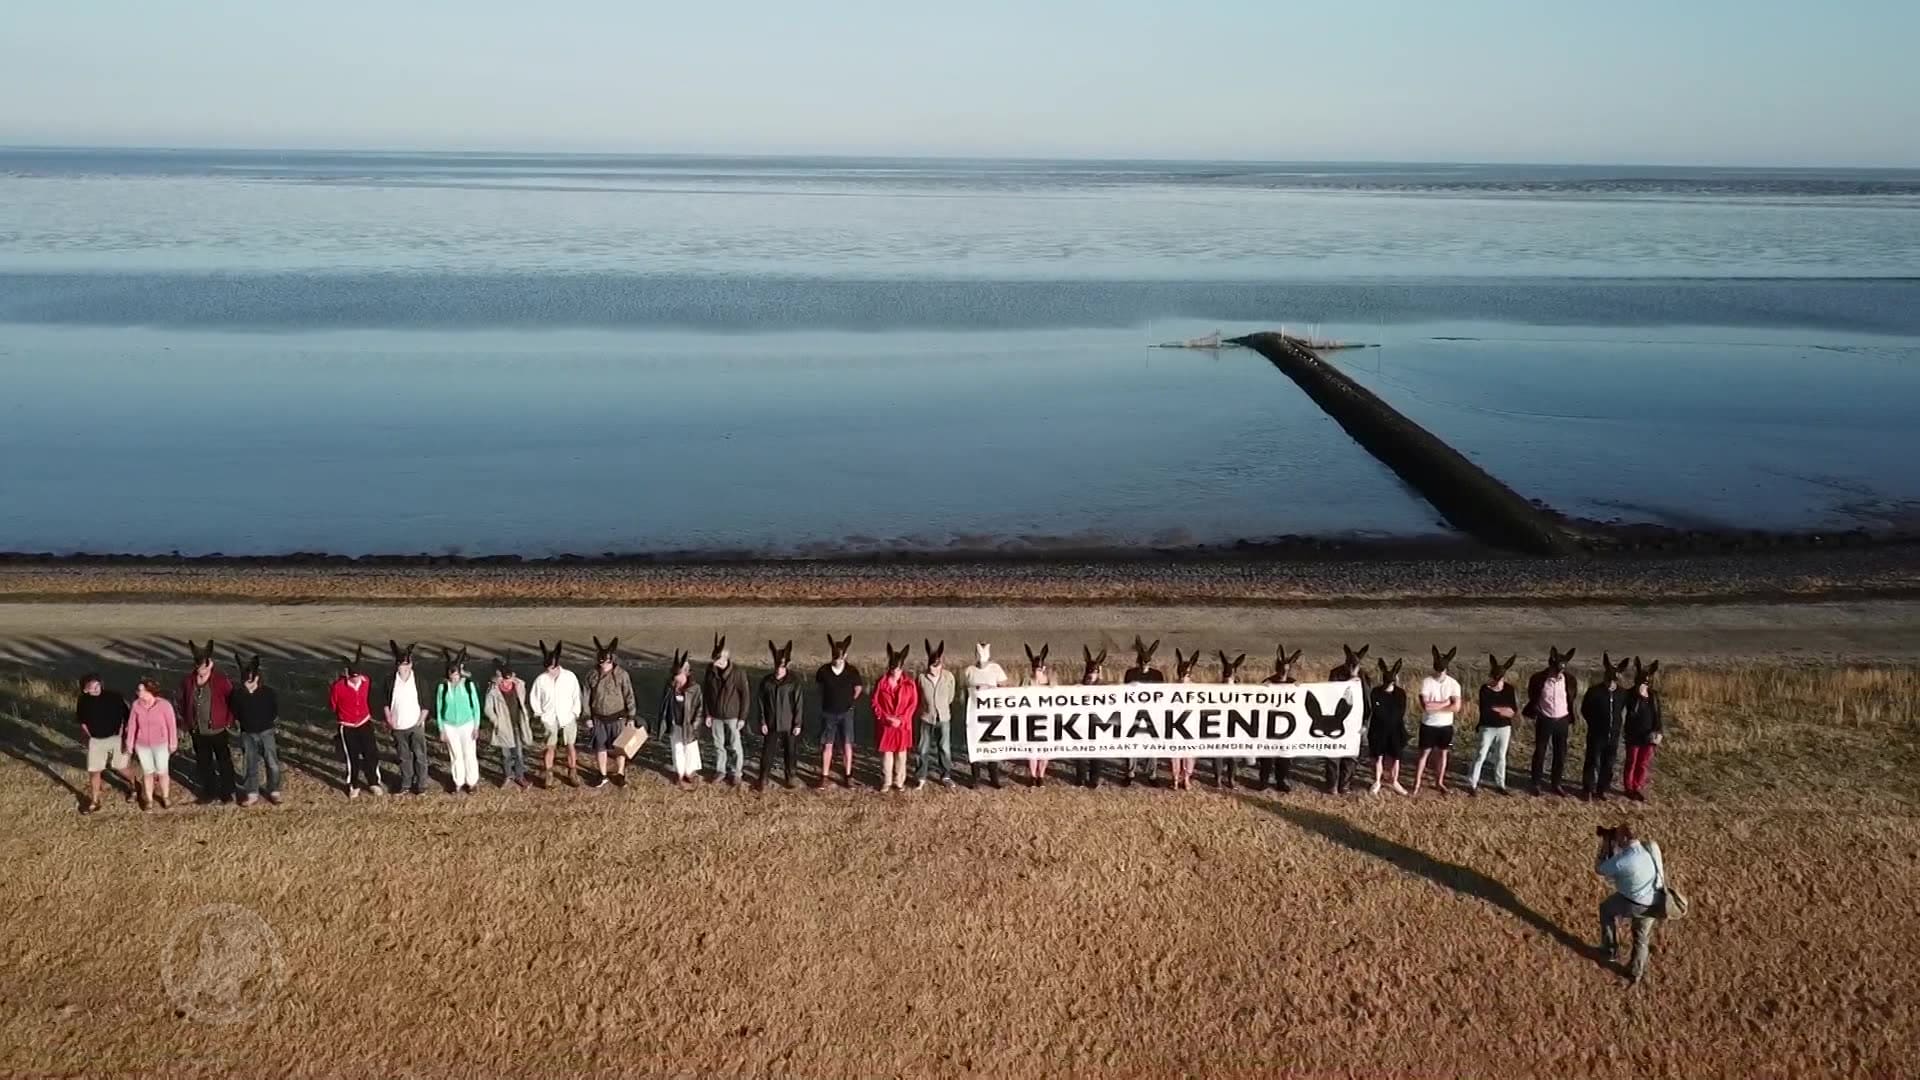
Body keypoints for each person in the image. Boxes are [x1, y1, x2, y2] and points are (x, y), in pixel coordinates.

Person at [1595, 822, 1663, 984]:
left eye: (1617, 835)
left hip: (1634, 902)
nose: (1616, 839)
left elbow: (1600, 869)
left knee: (1605, 909)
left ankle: (1610, 950)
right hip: (1655, 900)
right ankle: (1636, 973)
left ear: (1625, 838)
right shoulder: (1647, 848)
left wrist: (1605, 846)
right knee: (1641, 939)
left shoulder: (1624, 859)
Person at [176, 639, 237, 805]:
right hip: (197, 730)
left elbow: (232, 700)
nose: (200, 668)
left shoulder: (220, 681)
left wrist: (228, 720)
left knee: (224, 762)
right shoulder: (188, 681)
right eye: (198, 665)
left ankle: (227, 792)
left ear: (209, 664)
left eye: (203, 665)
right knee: (204, 763)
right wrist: (186, 721)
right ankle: (209, 791)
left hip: (217, 729)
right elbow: (182, 701)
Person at [1524, 646, 1581, 796]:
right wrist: (1537, 710)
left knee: (1560, 753)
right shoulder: (1538, 679)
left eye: (1562, 670)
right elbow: (1532, 695)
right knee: (1540, 752)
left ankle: (1556, 783)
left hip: (1562, 719)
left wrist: (1569, 716)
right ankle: (1536, 782)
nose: (1559, 673)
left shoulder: (1570, 680)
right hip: (1545, 718)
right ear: (1551, 665)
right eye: (1557, 670)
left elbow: (1572, 697)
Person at [228, 653, 283, 806]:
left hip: (266, 732)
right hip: (248, 733)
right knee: (249, 764)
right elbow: (235, 712)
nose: (249, 681)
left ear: (258, 676)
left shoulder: (268, 693)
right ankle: (252, 793)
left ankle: (274, 790)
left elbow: (273, 711)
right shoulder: (237, 695)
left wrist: (266, 723)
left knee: (272, 763)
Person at [76, 674, 135, 813]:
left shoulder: (114, 697)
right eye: (92, 687)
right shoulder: (83, 701)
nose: (96, 689)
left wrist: (125, 736)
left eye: (97, 685)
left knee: (121, 767)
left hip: (115, 738)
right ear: (85, 690)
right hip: (95, 740)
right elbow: (82, 722)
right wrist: (88, 737)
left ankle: (134, 785)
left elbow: (127, 717)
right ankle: (95, 801)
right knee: (94, 771)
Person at [329, 646, 382, 798]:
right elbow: (333, 705)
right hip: (348, 726)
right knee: (352, 757)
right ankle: (354, 785)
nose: (356, 680)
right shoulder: (338, 687)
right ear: (347, 674)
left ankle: (374, 782)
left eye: (357, 677)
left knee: (371, 754)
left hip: (364, 722)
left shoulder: (366, 681)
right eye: (353, 677)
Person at [529, 640, 583, 787]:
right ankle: (549, 774)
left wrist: (575, 712)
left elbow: (576, 695)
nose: (550, 670)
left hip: (567, 716)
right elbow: (535, 698)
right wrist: (540, 714)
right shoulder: (540, 680)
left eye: (552, 667)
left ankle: (572, 772)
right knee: (550, 746)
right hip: (549, 718)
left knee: (570, 745)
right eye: (547, 667)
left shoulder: (569, 676)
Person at [584, 636, 636, 788]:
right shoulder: (592, 675)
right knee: (600, 747)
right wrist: (587, 716)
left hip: (618, 717)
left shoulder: (622, 675)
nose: (604, 665)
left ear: (612, 660)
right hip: (598, 718)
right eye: (601, 662)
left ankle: (620, 773)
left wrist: (631, 716)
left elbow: (629, 695)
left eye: (607, 661)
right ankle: (602, 774)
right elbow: (585, 696)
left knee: (619, 747)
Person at [1580, 654, 1633, 800]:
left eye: (1613, 681)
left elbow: (1623, 709)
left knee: (1608, 763)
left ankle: (1602, 789)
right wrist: (1594, 724)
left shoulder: (1622, 694)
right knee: (1592, 761)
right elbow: (1585, 709)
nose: (1610, 683)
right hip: (1596, 733)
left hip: (1613, 734)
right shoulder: (1594, 692)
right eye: (1608, 680)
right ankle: (1588, 789)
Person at [815, 634, 864, 789]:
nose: (837, 660)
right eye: (835, 657)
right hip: (828, 713)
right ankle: (824, 776)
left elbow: (858, 688)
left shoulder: (852, 671)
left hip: (846, 713)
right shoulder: (823, 671)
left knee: (847, 744)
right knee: (827, 745)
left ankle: (848, 776)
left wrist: (850, 701)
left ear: (845, 656)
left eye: (840, 658)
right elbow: (819, 688)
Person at [702, 634, 751, 787]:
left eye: (717, 660)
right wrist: (707, 714)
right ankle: (720, 770)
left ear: (724, 658)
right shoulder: (710, 671)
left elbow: (745, 696)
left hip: (733, 716)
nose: (714, 663)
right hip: (715, 715)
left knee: (735, 745)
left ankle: (736, 773)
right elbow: (706, 693)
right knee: (718, 745)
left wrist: (742, 717)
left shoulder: (738, 673)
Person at [1411, 646, 1460, 796]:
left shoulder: (1453, 684)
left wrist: (1435, 706)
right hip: (1429, 725)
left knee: (1443, 753)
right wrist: (1446, 703)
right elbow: (1426, 707)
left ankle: (1439, 782)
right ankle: (1417, 783)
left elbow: (1456, 707)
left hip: (1445, 726)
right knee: (1424, 754)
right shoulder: (1427, 682)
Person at [1323, 643, 1371, 794]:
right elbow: (1331, 695)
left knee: (1351, 754)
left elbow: (1367, 701)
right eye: (1349, 663)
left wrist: (1365, 723)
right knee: (1333, 753)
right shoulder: (1335, 674)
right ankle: (1332, 784)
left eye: (1354, 664)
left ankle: (1344, 785)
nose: (1351, 667)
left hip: (1355, 721)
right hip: (1335, 719)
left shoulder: (1364, 677)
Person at [872, 643, 920, 792]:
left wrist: (901, 719)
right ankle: (886, 781)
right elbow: (875, 702)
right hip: (886, 724)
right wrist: (885, 718)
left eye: (898, 669)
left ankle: (899, 782)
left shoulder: (910, 684)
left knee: (901, 754)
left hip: (902, 725)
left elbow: (913, 704)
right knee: (887, 754)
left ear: (902, 668)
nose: (895, 672)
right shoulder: (881, 683)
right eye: (893, 669)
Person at [124, 678, 179, 811]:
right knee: (148, 772)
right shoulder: (136, 705)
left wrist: (173, 742)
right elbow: (132, 725)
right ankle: (149, 800)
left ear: (150, 691)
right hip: (142, 745)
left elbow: (171, 725)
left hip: (161, 744)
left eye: (141, 690)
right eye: (138, 690)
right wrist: (129, 743)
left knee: (162, 772)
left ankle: (165, 797)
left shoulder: (164, 705)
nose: (138, 692)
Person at [1467, 654, 1518, 795]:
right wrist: (1503, 710)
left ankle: (1500, 784)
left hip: (1504, 728)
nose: (1496, 680)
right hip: (1487, 727)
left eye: (1498, 678)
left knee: (1501, 756)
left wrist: (1498, 709)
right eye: (1494, 677)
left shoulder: (1509, 689)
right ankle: (1472, 783)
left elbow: (1512, 711)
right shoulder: (1485, 689)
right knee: (1481, 754)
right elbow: (1486, 710)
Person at [384, 641, 430, 797]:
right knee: (404, 757)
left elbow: (426, 703)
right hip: (398, 726)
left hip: (415, 725)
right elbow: (385, 702)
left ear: (411, 664)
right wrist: (389, 719)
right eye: (401, 665)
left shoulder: (419, 680)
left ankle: (422, 785)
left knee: (420, 756)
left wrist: (420, 721)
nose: (404, 668)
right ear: (397, 666)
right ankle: (406, 784)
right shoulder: (390, 681)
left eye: (407, 665)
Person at [756, 641, 804, 790]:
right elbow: (760, 703)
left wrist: (797, 723)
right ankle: (763, 778)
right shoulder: (766, 682)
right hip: (771, 723)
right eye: (777, 666)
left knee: (790, 752)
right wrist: (762, 722)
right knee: (767, 752)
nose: (778, 670)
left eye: (781, 667)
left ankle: (790, 777)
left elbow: (798, 703)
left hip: (789, 724)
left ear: (786, 666)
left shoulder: (793, 682)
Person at [962, 642, 1008, 789]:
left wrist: (989, 688)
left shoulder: (996, 668)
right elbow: (965, 690)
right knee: (975, 745)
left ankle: (994, 778)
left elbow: (1005, 687)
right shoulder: (969, 670)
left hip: (992, 715)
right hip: (974, 715)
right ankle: (976, 778)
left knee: (991, 745)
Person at [436, 649, 482, 795]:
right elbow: (439, 708)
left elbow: (476, 706)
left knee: (469, 753)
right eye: (452, 675)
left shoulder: (468, 685)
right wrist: (441, 729)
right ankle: (458, 782)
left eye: (456, 675)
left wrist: (476, 726)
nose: (454, 678)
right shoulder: (443, 687)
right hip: (450, 725)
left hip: (467, 724)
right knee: (455, 755)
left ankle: (472, 782)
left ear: (460, 673)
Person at [1122, 637, 1166, 787]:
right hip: (1134, 714)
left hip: (1152, 715)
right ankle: (1130, 773)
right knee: (1132, 744)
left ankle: (1152, 774)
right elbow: (1126, 693)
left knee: (1152, 744)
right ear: (1138, 661)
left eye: (1146, 662)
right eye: (1141, 662)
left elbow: (1162, 695)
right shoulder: (1130, 674)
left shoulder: (1157, 675)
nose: (1144, 664)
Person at [1254, 645, 1300, 792]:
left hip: (1286, 725)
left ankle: (1281, 781)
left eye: (1286, 670)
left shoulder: (1293, 683)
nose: (1283, 673)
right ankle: (1263, 781)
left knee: (1284, 756)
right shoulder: (1268, 681)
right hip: (1269, 724)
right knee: (1266, 755)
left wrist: (1299, 688)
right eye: (1281, 670)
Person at [913, 639, 956, 789]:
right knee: (923, 748)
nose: (934, 669)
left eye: (936, 666)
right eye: (931, 666)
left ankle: (946, 775)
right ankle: (921, 776)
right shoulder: (921, 678)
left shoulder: (949, 677)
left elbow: (951, 696)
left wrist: (942, 707)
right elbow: (918, 696)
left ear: (941, 664)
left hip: (943, 718)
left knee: (944, 748)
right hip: (926, 717)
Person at [485, 657, 534, 789]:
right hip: (503, 726)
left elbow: (523, 702)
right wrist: (496, 721)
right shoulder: (493, 689)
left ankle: (520, 776)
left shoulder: (519, 685)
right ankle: (508, 776)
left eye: (509, 679)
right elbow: (488, 708)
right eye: (505, 679)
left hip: (516, 724)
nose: (507, 682)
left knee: (519, 754)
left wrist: (526, 715)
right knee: (505, 754)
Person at [661, 650, 705, 788]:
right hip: (675, 723)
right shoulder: (670, 687)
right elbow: (665, 704)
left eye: (678, 675)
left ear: (685, 673)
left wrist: (694, 725)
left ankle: (689, 772)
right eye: (674, 675)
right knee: (677, 748)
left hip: (689, 725)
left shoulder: (694, 688)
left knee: (690, 748)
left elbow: (699, 708)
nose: (676, 678)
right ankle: (679, 773)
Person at [1621, 659, 1663, 801]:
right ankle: (1629, 787)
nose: (1644, 685)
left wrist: (1658, 731)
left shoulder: (1653, 696)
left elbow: (1657, 714)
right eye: (1641, 682)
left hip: (1649, 734)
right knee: (1631, 761)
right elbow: (1631, 711)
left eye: (1646, 683)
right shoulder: (1630, 695)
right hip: (1633, 734)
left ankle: (1638, 786)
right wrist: (1638, 696)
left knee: (1643, 763)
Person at [1366, 658, 1409, 795]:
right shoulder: (1375, 692)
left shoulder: (1400, 694)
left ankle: (1394, 781)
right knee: (1378, 756)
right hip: (1379, 730)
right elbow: (1376, 710)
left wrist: (1390, 720)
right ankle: (1377, 781)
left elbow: (1400, 712)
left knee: (1396, 757)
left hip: (1395, 730)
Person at [1210, 651, 1246, 789]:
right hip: (1219, 724)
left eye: (1229, 674)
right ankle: (1218, 778)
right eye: (1226, 674)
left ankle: (1231, 778)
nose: (1227, 676)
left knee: (1233, 753)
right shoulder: (1216, 690)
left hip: (1234, 724)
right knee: (1218, 753)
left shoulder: (1240, 690)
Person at [1075, 648, 1109, 789]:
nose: (1091, 675)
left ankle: (1094, 778)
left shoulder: (1104, 688)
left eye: (1094, 672)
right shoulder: (1078, 687)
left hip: (1098, 723)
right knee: (1080, 752)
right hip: (1082, 723)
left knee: (1097, 752)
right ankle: (1081, 777)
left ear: (1098, 672)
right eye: (1089, 672)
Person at [1168, 649, 1201, 791]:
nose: (1183, 677)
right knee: (1175, 752)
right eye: (1182, 673)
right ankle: (1175, 778)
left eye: (1186, 674)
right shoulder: (1171, 688)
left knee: (1189, 752)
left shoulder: (1196, 689)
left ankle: (1186, 777)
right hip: (1175, 724)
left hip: (1191, 724)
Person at [1024, 644, 1056, 786]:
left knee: (1045, 749)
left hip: (1047, 718)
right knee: (1032, 749)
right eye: (1035, 669)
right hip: (1031, 717)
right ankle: (1032, 775)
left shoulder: (1050, 681)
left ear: (1043, 668)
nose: (1037, 671)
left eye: (1039, 668)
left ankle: (1041, 775)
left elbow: (1057, 693)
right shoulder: (1027, 681)